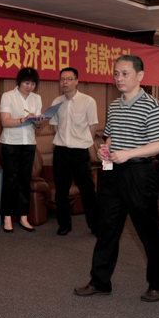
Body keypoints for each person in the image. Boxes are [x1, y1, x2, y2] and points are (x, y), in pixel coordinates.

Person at [75, 55, 159, 302]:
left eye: (125, 73)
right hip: (112, 172)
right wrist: (105, 151)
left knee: (148, 231)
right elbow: (110, 137)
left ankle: (158, 282)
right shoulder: (114, 105)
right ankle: (100, 281)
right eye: (116, 73)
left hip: (139, 173)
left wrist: (129, 153)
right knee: (107, 228)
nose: (119, 78)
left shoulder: (152, 106)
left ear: (140, 75)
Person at [49, 67, 100, 236]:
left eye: (69, 79)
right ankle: (64, 225)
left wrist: (82, 142)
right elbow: (55, 126)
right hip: (61, 151)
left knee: (87, 190)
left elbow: (92, 126)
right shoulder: (56, 102)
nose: (65, 82)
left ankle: (95, 225)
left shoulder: (88, 101)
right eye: (62, 79)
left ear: (77, 81)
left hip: (80, 152)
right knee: (61, 191)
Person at [0, 67, 44, 233]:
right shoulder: (8, 96)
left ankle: (24, 217)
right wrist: (24, 119)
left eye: (33, 84)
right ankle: (7, 217)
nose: (29, 87)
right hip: (11, 143)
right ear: (19, 82)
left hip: (29, 143)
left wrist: (38, 121)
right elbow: (5, 121)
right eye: (26, 83)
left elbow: (37, 125)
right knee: (10, 181)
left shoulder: (37, 98)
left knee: (25, 180)